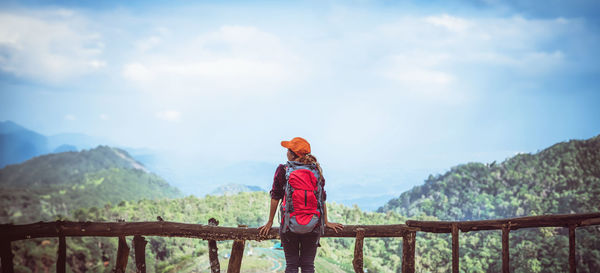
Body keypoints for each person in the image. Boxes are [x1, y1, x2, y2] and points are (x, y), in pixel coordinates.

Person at [258, 137, 343, 273]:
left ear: (293, 154)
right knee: (308, 265)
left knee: (291, 265)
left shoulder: (283, 170)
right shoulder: (316, 171)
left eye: (288, 150)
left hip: (289, 226)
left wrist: (269, 221)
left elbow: (275, 197)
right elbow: (321, 197)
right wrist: (326, 221)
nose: (286, 152)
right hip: (313, 225)